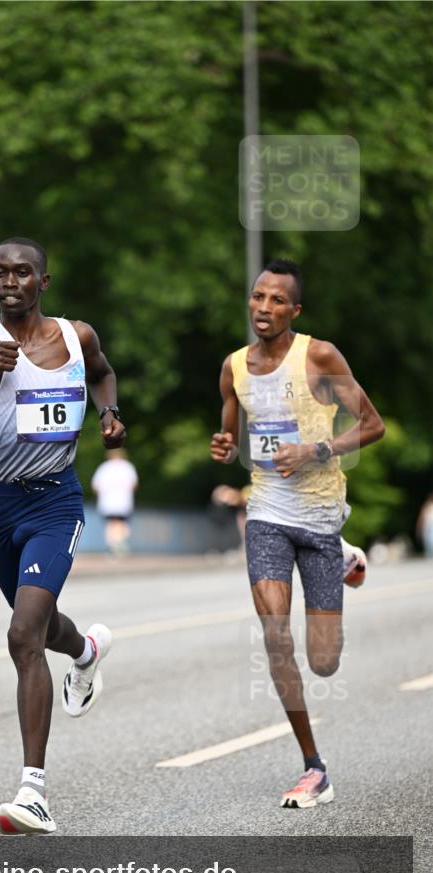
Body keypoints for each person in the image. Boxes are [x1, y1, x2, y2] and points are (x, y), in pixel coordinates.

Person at [0, 237, 125, 834]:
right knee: (40, 626)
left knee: (21, 634)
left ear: (43, 281)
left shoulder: (76, 337)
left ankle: (32, 791)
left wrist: (109, 414)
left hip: (56, 504)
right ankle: (85, 651)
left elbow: (104, 375)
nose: (10, 282)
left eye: (22, 273)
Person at [211, 259, 384, 808]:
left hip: (320, 515)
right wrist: (223, 447)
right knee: (274, 636)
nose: (264, 308)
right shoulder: (233, 368)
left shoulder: (319, 356)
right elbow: (233, 436)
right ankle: (313, 766)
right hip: (266, 513)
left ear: (295, 310)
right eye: (258, 297)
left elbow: (372, 424)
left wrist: (318, 449)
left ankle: (342, 556)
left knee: (324, 661)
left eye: (277, 300)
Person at [91, 449, 138, 554]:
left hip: (107, 502)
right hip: (124, 501)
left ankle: (112, 544)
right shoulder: (127, 467)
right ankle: (120, 542)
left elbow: (95, 486)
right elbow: (134, 485)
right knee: (122, 523)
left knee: (111, 523)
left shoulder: (104, 467)